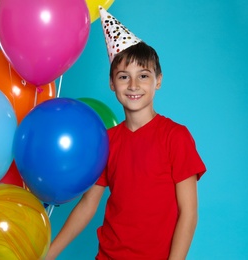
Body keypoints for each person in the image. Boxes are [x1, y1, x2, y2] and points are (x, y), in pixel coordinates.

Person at [45, 7, 206, 260]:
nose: (133, 86)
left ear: (158, 80)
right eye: (123, 77)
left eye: (143, 76)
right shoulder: (107, 141)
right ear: (112, 83)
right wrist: (49, 253)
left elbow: (189, 213)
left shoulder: (175, 137)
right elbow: (88, 205)